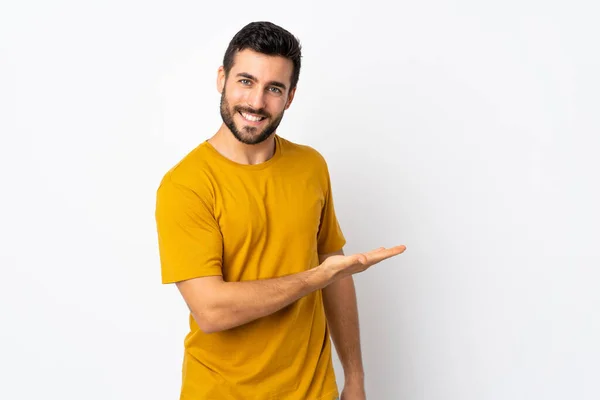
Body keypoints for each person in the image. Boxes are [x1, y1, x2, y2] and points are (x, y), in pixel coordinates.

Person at [155, 21, 406, 400]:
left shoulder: (310, 167)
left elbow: (335, 273)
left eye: (274, 88)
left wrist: (354, 377)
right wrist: (313, 279)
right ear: (222, 78)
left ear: (289, 97)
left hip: (313, 391)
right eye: (245, 81)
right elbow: (211, 310)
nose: (256, 103)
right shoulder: (186, 185)